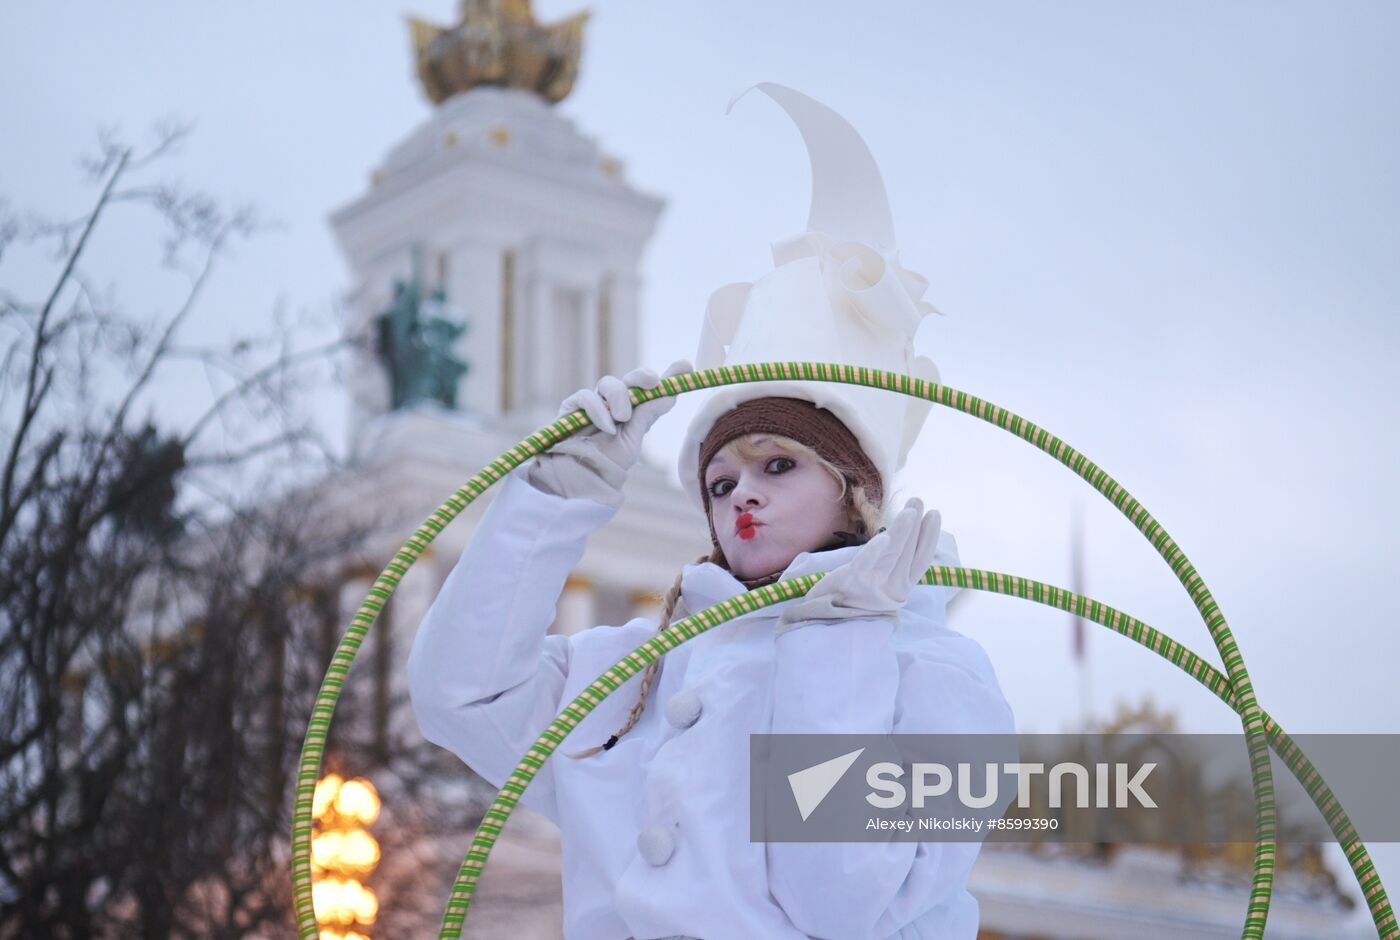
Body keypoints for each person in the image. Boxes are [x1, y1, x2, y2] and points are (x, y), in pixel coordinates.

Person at [407, 84, 1017, 940]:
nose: (745, 495)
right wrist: (551, 504)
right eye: (721, 481)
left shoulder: (943, 677)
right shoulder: (630, 671)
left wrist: (835, 647)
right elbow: (458, 697)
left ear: (856, 488)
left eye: (779, 464)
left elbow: (841, 906)